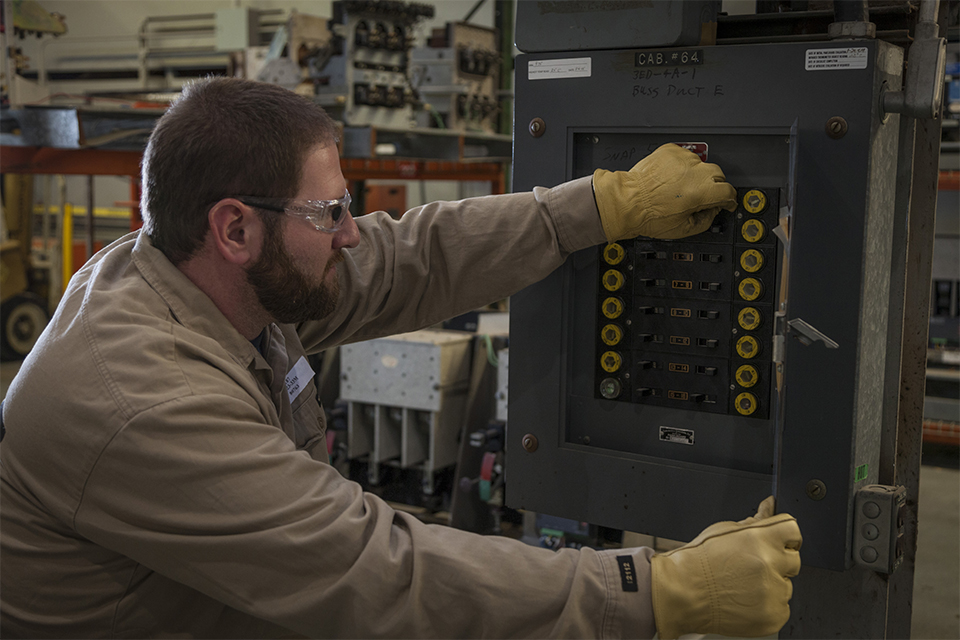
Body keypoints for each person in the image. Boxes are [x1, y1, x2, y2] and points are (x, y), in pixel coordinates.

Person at [0, 77, 801, 639]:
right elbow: (373, 571)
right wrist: (654, 594)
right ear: (235, 229)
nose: (351, 231)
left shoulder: (211, 283)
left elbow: (406, 256)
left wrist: (598, 206)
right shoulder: (139, 397)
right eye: (331, 212)